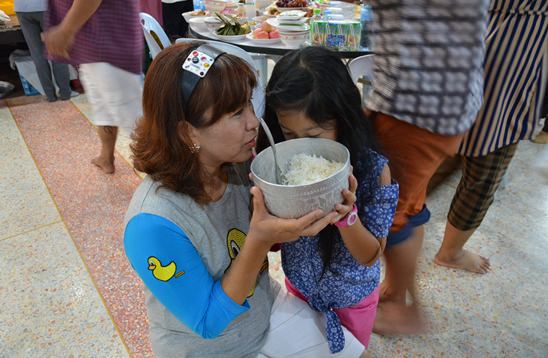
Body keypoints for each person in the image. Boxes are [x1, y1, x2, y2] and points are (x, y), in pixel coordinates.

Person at [124, 42, 367, 357]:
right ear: (187, 133)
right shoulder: (153, 224)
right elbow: (209, 323)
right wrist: (259, 239)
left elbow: (274, 240)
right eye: (236, 113)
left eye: (250, 105)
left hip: (263, 312)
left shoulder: (241, 167)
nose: (253, 122)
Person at [258, 47, 399, 354]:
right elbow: (273, 244)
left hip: (353, 302)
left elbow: (371, 255)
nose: (300, 146)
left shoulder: (375, 172)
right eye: (288, 134)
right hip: (300, 293)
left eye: (314, 134)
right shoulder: (284, 170)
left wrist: (347, 217)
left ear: (343, 121)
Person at [364, 0, 490, 334]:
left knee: (391, 215)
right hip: (450, 102)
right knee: (410, 203)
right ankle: (395, 290)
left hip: (411, 105)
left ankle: (399, 307)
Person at [434, 0, 548, 273]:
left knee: (440, 151)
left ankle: (392, 225)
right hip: (515, 45)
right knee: (485, 166)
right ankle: (450, 252)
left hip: (478, 32)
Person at [42, 0, 143, 174]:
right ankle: (106, 157)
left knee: (133, 117)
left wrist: (66, 30)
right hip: (93, 44)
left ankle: (167, 176)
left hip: (108, 43)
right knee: (103, 106)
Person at [14, 0, 71, 102]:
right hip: (46, 7)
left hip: (21, 8)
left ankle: (50, 95)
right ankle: (65, 93)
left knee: (37, 53)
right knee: (57, 50)